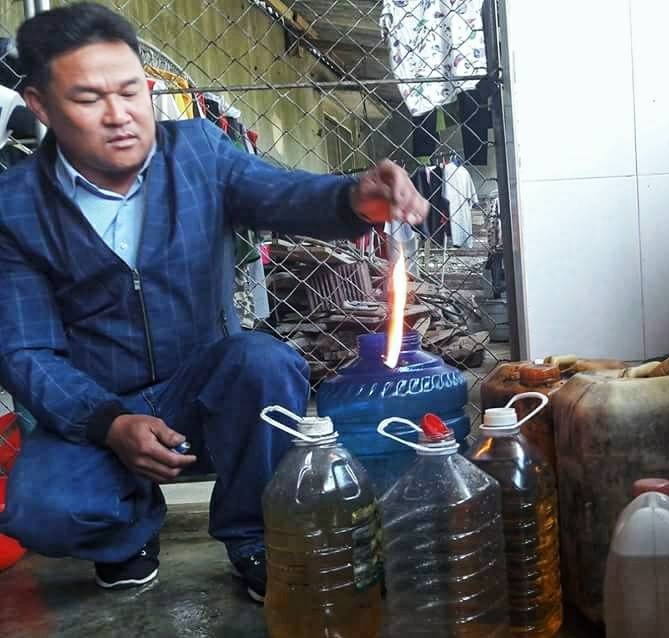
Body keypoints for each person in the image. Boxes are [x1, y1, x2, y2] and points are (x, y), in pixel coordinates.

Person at [0, 2, 428, 603]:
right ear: (41, 105)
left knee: (263, 362)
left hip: (199, 387)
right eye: (89, 99)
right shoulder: (14, 207)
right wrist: (108, 422)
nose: (121, 116)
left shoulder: (198, 152)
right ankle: (126, 533)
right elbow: (25, 349)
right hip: (99, 405)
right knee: (44, 511)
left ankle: (254, 537)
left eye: (131, 91)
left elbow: (282, 192)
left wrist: (353, 198)